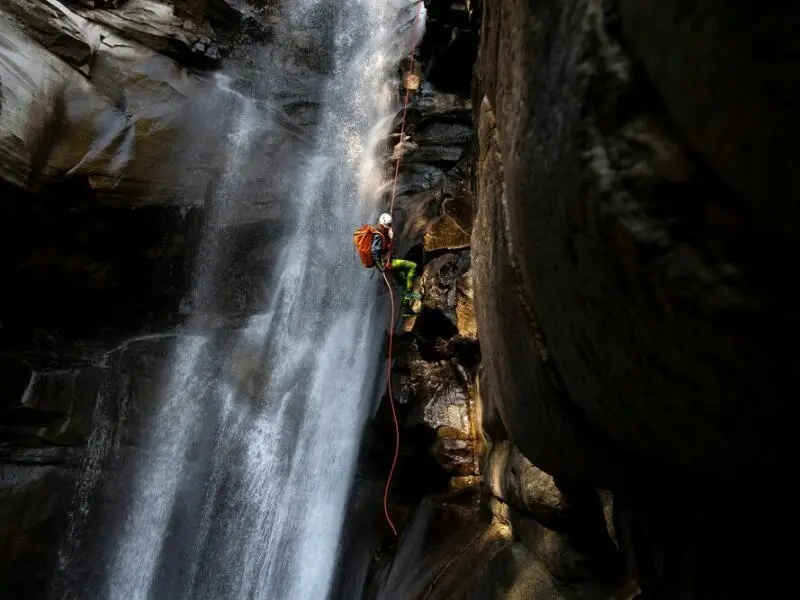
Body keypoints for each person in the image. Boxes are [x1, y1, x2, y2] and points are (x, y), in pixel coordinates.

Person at [371, 213, 420, 311]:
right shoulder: (377, 236)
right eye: (387, 225)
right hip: (387, 264)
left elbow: (385, 246)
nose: (388, 227)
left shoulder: (381, 231)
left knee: (403, 280)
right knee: (412, 266)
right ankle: (406, 300)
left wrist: (390, 236)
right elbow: (374, 252)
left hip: (388, 262)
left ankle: (406, 301)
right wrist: (381, 267)